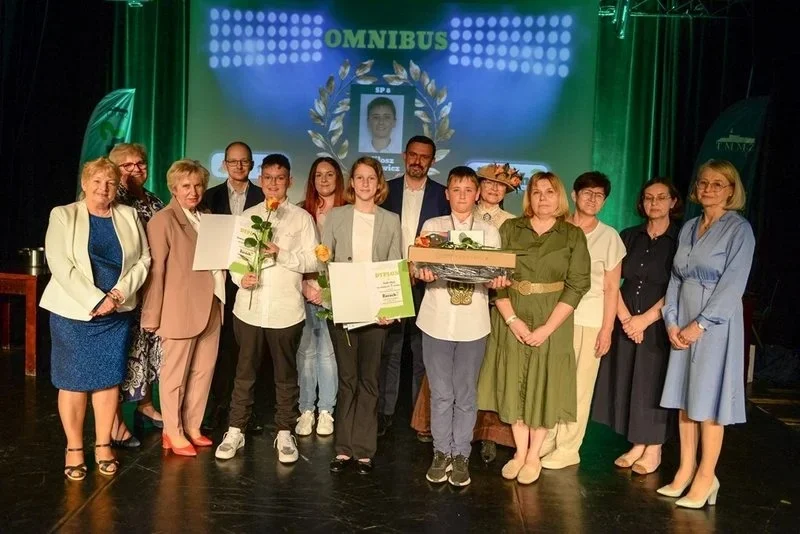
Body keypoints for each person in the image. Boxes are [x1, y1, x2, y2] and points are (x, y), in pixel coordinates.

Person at [40, 157, 151, 479]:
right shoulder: (64, 215)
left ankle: (103, 445)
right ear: (85, 184)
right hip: (73, 313)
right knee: (73, 383)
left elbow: (144, 260)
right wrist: (95, 299)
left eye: (110, 183)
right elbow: (59, 263)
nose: (104, 188)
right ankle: (74, 448)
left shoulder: (129, 215)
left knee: (107, 381)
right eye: (97, 181)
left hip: (115, 314)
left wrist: (116, 295)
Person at [477, 171, 590, 485]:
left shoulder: (572, 235)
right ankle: (519, 452)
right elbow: (495, 277)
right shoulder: (511, 228)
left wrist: (547, 329)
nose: (543, 198)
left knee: (544, 385)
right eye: (537, 192)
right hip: (510, 315)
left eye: (549, 192)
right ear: (529, 197)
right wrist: (512, 320)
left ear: (559, 197)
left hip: (552, 321)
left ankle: (533, 456)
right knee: (513, 383)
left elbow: (578, 285)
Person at [657, 160, 755, 508]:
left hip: (714, 326)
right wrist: (671, 321)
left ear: (731, 190)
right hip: (681, 319)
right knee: (684, 397)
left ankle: (706, 476)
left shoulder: (739, 230)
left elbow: (733, 285)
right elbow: (675, 277)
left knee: (708, 401)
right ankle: (685, 469)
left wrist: (699, 325)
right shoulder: (689, 227)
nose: (708, 189)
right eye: (703, 183)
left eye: (717, 184)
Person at [215, 154, 318, 464]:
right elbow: (234, 259)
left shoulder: (301, 218)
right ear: (260, 180)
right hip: (249, 309)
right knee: (244, 373)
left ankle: (285, 431)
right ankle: (236, 430)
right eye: (269, 178)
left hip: (286, 310)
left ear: (290, 181)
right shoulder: (248, 217)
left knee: (285, 375)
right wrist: (240, 278)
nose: (274, 184)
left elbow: (314, 260)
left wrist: (281, 253)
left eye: (280, 178)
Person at [413, 166, 502, 487]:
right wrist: (421, 271)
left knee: (465, 394)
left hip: (473, 323)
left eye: (468, 190)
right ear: (447, 193)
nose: (462, 195)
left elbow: (495, 273)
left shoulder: (489, 232)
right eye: (456, 189)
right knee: (441, 394)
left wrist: (497, 280)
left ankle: (461, 454)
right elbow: (416, 264)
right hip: (436, 320)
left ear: (477, 194)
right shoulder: (433, 226)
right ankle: (441, 452)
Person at [591, 177, 682, 474]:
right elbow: (611, 279)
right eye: (648, 198)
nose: (654, 203)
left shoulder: (681, 239)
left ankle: (654, 447)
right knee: (631, 379)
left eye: (661, 197)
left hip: (660, 321)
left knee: (653, 382)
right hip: (626, 317)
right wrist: (627, 319)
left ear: (673, 202)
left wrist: (645, 320)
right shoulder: (629, 236)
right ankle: (637, 444)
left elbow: (679, 286)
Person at [540, 172, 626, 470]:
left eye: (599, 195)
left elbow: (612, 288)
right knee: (553, 382)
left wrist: (607, 329)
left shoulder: (609, 237)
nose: (593, 199)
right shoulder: (558, 228)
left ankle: (568, 448)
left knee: (579, 387)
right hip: (555, 317)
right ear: (574, 195)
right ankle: (548, 438)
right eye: (587, 193)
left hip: (589, 319)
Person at [323, 156, 402, 475]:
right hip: (343, 308)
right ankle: (343, 449)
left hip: (377, 313)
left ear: (379, 183)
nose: (365, 183)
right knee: (347, 380)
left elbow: (395, 266)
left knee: (370, 380)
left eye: (371, 178)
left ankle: (364, 451)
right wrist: (328, 295)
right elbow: (324, 262)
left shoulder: (391, 220)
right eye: (359, 177)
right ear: (352, 183)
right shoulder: (336, 216)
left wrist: (390, 310)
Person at [141, 159, 225, 457]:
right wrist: (152, 314)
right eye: (186, 186)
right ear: (173, 188)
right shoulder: (162, 221)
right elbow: (157, 272)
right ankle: (172, 431)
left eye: (198, 185)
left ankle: (192, 426)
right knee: (174, 376)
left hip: (212, 305)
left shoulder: (208, 217)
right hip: (179, 309)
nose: (193, 191)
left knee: (203, 371)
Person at [380, 135, 450, 441]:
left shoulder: (442, 194)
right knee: (391, 351)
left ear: (432, 161)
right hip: (392, 280)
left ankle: (421, 418)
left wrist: (422, 269)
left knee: (423, 353)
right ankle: (385, 414)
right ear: (404, 155)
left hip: (427, 282)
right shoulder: (386, 190)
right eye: (413, 155)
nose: (417, 161)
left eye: (424, 156)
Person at [202, 141, 265, 432]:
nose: (239, 166)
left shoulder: (264, 197)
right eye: (233, 161)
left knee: (248, 349)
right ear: (224, 164)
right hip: (219, 281)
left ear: (251, 164)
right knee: (220, 346)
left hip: (255, 281)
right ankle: (217, 407)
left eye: (244, 161)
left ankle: (246, 410)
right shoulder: (209, 197)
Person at [107, 143, 165, 449]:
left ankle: (145, 406)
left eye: (140, 163)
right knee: (122, 353)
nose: (135, 170)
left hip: (152, 288)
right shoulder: (112, 200)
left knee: (148, 349)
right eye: (127, 165)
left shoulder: (153, 199)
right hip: (124, 289)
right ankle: (113, 421)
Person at [472, 162, 522, 463]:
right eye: (488, 182)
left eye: (500, 185)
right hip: (463, 298)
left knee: (490, 369)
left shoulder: (513, 223)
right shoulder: (464, 214)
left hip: (496, 303)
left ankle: (489, 434)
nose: (493, 188)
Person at [295, 157, 346, 436]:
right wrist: (305, 285)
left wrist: (328, 291)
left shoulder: (348, 212)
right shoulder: (301, 211)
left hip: (335, 294)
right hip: (303, 291)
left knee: (327, 352)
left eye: (329, 174)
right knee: (306, 352)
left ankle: (326, 410)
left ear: (338, 178)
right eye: (318, 175)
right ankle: (306, 409)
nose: (324, 180)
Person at [473, 162, 518, 228]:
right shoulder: (464, 215)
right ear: (479, 186)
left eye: (501, 184)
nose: (494, 188)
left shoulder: (512, 221)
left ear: (505, 190)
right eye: (489, 183)